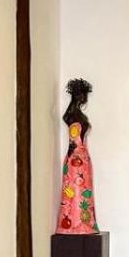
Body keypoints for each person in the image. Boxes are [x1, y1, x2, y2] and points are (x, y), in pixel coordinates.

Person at [56, 79, 98, 234]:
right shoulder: (71, 116)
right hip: (75, 160)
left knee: (82, 190)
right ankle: (74, 224)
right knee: (74, 190)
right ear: (79, 96)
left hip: (82, 160)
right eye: (84, 95)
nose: (86, 98)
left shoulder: (77, 115)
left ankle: (84, 223)